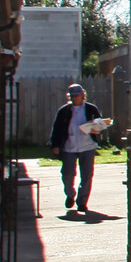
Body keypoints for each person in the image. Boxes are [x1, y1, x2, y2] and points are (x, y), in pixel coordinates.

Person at [50, 84, 108, 215]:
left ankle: (82, 202)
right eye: (73, 96)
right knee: (67, 173)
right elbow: (57, 128)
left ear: (83, 95)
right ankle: (70, 194)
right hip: (69, 146)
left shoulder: (91, 109)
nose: (75, 98)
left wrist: (97, 129)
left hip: (87, 146)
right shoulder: (64, 111)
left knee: (87, 174)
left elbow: (99, 125)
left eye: (78, 95)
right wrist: (55, 145)